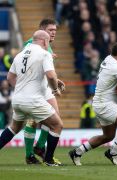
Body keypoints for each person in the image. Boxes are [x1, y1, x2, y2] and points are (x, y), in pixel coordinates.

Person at [0, 30, 63, 166]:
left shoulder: (20, 55)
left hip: (17, 99)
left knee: (14, 128)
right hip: (33, 100)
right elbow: (51, 76)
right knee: (57, 125)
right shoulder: (44, 54)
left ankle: (34, 153)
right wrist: (55, 89)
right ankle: (48, 159)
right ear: (44, 41)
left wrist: (22, 90)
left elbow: (10, 78)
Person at [22, 18, 64, 164]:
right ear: (41, 31)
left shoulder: (47, 46)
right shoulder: (30, 43)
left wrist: (56, 81)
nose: (53, 33)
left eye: (55, 31)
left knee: (54, 117)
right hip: (33, 88)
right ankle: (30, 154)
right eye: (50, 30)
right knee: (33, 121)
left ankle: (39, 147)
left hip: (44, 86)